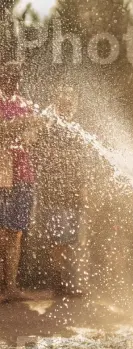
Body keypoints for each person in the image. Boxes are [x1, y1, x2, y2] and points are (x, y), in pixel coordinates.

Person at [35, 86, 85, 296]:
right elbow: (47, 156)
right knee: (59, 239)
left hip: (72, 190)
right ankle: (57, 283)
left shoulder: (75, 128)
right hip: (56, 191)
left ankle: (65, 281)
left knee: (69, 238)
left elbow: (79, 160)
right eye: (63, 103)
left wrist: (82, 187)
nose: (67, 106)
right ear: (56, 104)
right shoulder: (50, 126)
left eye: (70, 103)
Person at [0, 62, 42, 302]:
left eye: (17, 78)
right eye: (9, 77)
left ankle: (11, 287)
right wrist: (21, 126)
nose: (13, 82)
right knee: (2, 232)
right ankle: (3, 286)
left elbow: (32, 137)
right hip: (3, 175)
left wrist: (29, 131)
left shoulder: (24, 104)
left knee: (16, 232)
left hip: (24, 174)